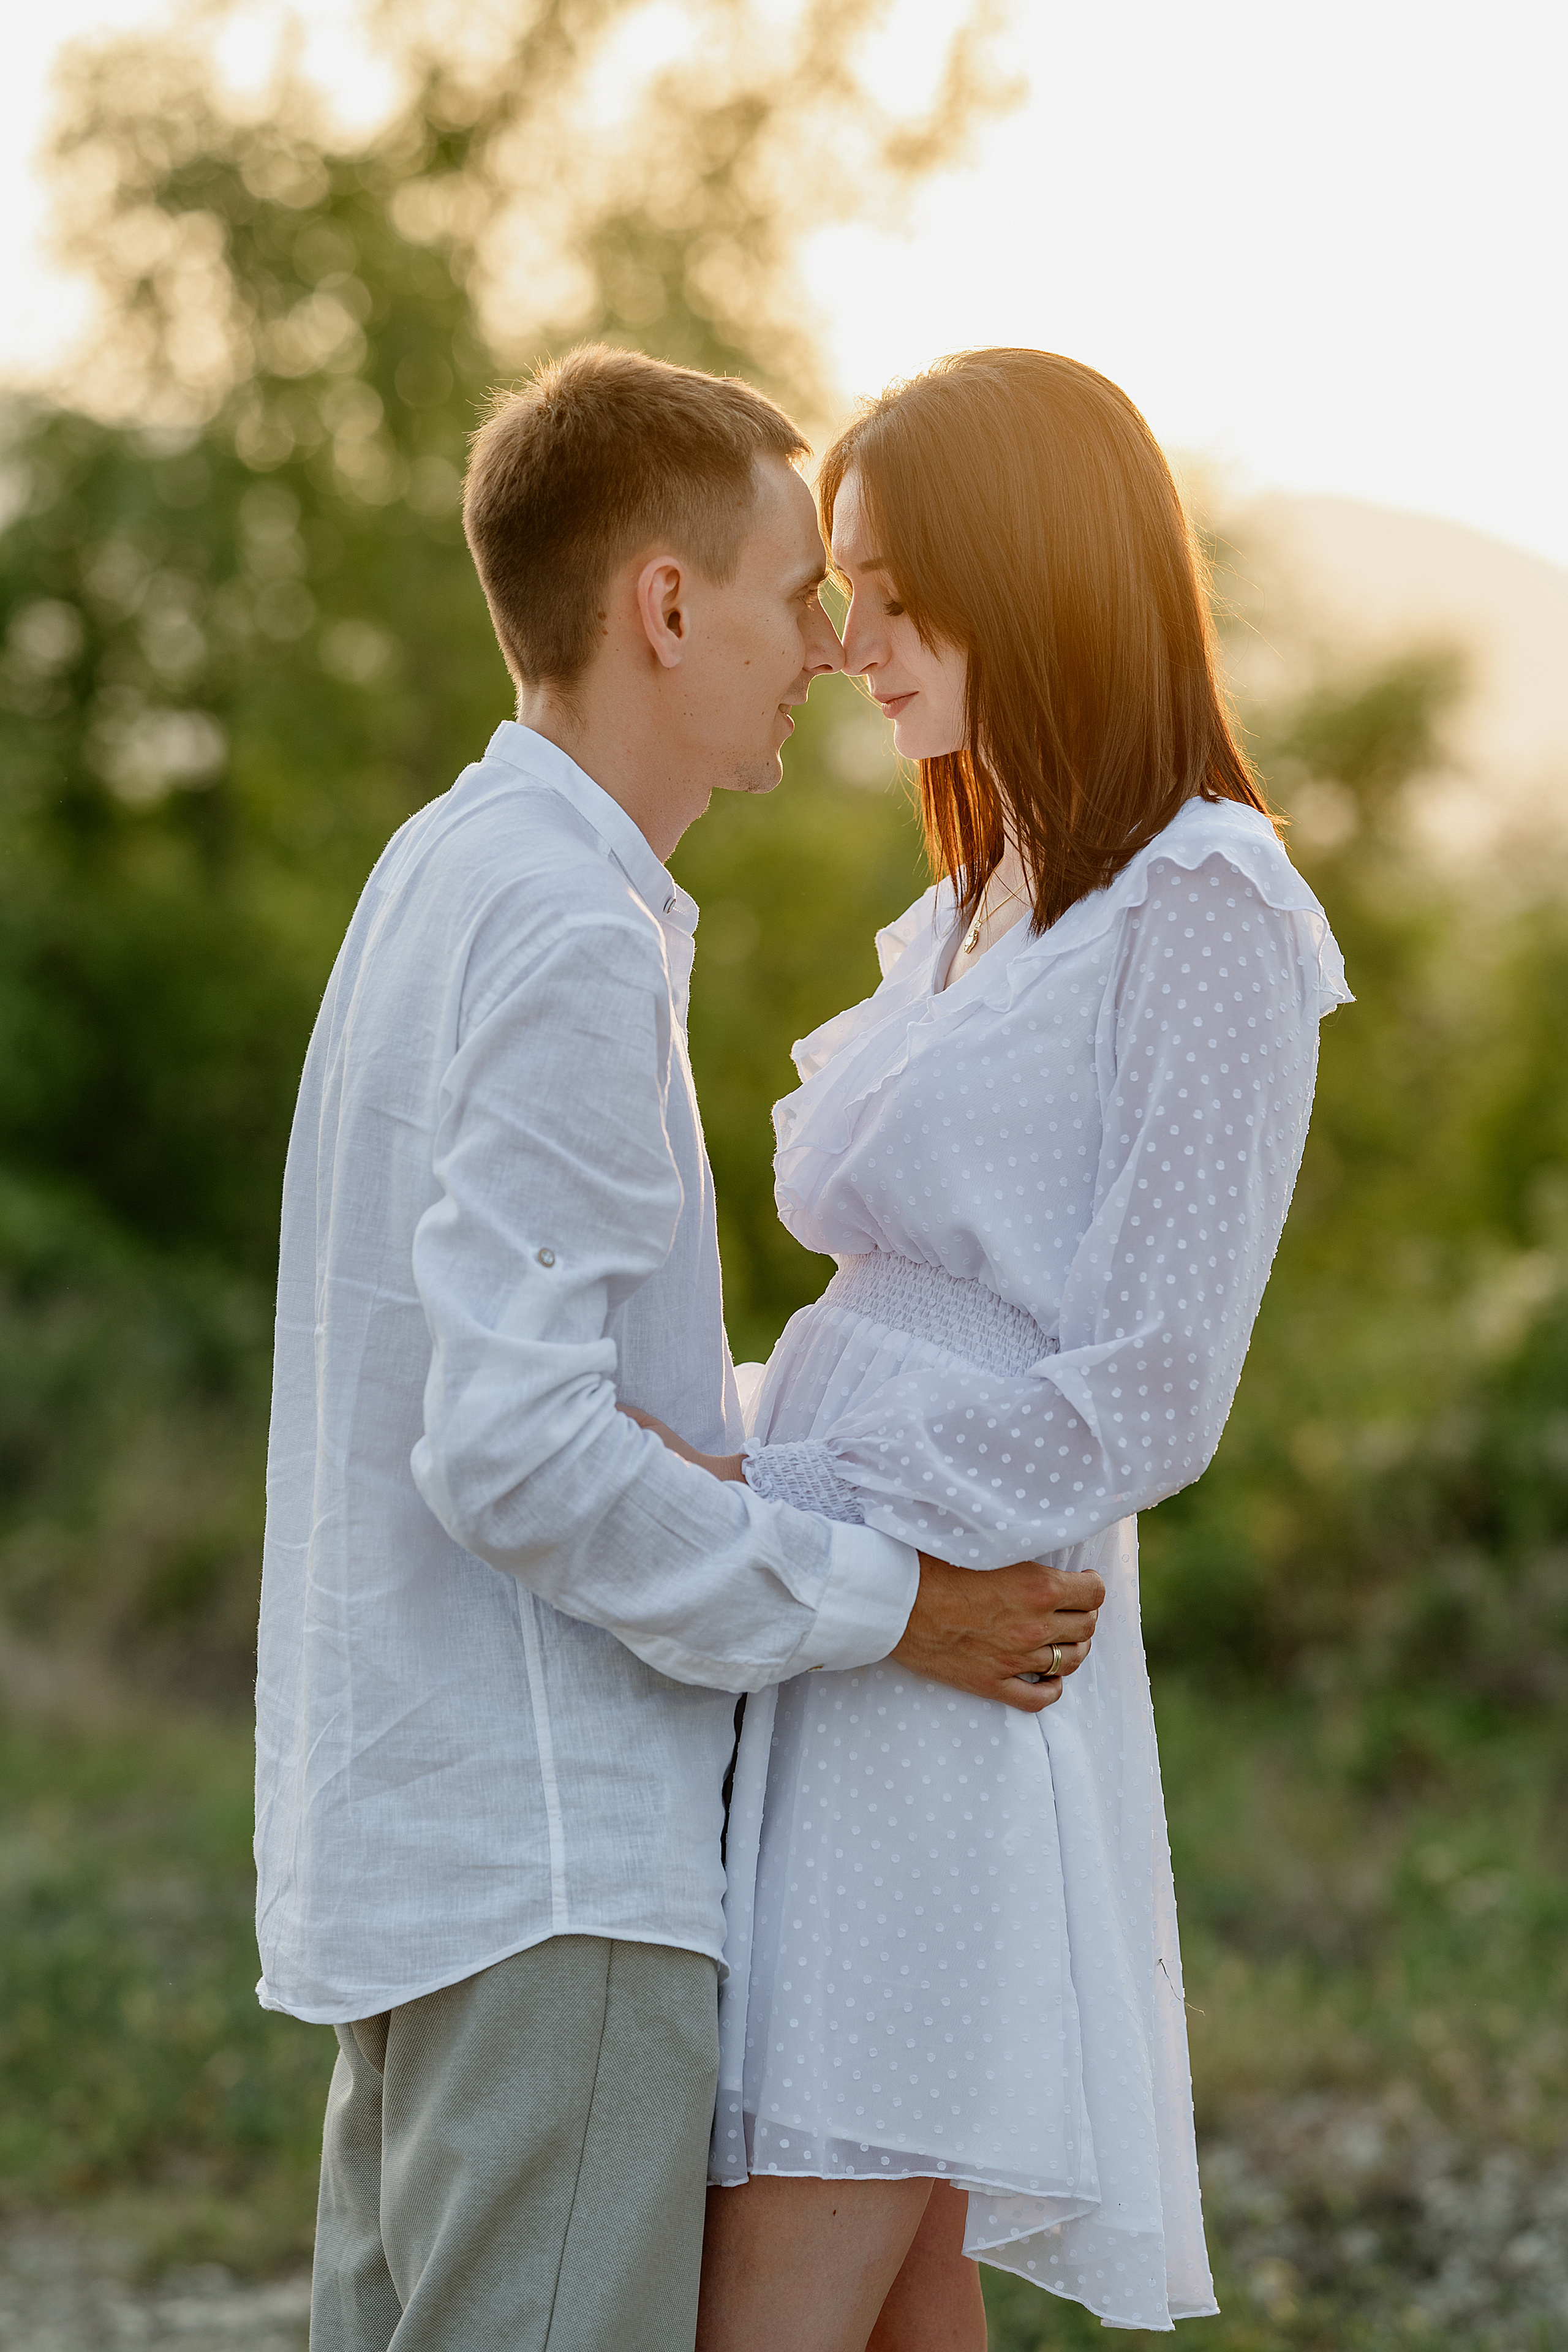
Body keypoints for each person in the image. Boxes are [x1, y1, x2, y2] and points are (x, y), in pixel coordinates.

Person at [252, 342, 1107, 2352]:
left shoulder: (444, 872)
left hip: (420, 1846)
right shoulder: (562, 925)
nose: (829, 643)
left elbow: (482, 1385)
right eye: (799, 590)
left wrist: (744, 1435)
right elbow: (515, 1453)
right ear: (662, 605)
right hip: (553, 1872)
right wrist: (890, 1598)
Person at [638, 349, 1351, 2348]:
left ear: (1031, 574)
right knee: (893, 2304)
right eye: (843, 587)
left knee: (774, 2304)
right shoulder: (992, 896)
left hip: (952, 1643)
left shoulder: (1208, 901)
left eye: (891, 585)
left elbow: (1152, 1385)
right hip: (855, 1625)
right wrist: (739, 1475)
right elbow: (889, 1317)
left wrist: (792, 1506)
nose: (847, 641)